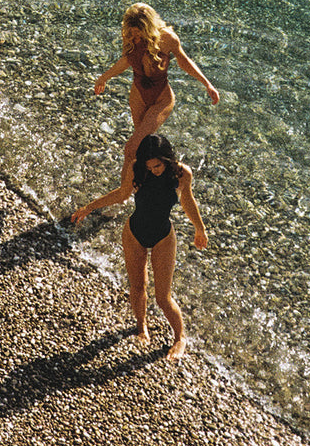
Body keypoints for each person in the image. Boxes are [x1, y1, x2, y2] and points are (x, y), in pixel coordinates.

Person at [71, 134, 208, 359]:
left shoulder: (182, 173)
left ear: (167, 159)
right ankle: (141, 327)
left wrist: (200, 228)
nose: (154, 170)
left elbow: (187, 200)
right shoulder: (138, 168)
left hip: (163, 236)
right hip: (134, 233)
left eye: (158, 165)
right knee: (138, 287)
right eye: (150, 166)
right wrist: (89, 207)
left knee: (163, 297)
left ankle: (180, 338)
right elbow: (122, 194)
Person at [94, 3, 219, 190]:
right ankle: (147, 186)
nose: (135, 37)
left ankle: (123, 195)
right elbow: (126, 60)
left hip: (162, 99)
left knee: (130, 148)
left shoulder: (168, 38)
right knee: (143, 150)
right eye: (133, 32)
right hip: (138, 96)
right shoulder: (129, 36)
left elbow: (184, 61)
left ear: (149, 27)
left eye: (139, 33)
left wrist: (207, 83)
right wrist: (104, 77)